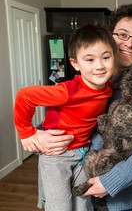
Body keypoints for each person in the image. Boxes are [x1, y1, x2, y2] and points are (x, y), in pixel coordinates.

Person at [27, 4, 132, 211]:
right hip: (85, 195)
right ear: (110, 37)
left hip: (129, 201)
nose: (130, 43)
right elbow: (68, 118)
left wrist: (111, 182)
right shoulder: (90, 77)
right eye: (122, 35)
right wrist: (36, 135)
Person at [13, 23, 117, 211]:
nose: (100, 66)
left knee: (83, 205)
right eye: (90, 60)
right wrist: (27, 133)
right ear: (75, 63)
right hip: (57, 156)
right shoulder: (66, 92)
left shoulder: (108, 89)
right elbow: (24, 96)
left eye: (106, 57)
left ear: (113, 57)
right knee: (59, 207)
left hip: (84, 153)